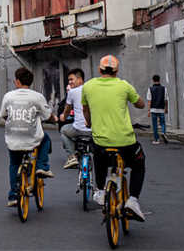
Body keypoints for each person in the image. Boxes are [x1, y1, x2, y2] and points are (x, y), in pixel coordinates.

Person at [82, 54, 147, 222]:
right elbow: (140, 104)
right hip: (126, 142)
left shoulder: (88, 86)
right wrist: (135, 99)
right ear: (117, 71)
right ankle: (132, 200)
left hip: (101, 142)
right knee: (139, 163)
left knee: (98, 154)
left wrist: (89, 123)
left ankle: (102, 191)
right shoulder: (124, 86)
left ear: (99, 69)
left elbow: (86, 111)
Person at [0, 67, 54, 207]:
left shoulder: (8, 96)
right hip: (31, 138)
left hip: (13, 139)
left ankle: (13, 195)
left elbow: (3, 115)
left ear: (17, 81)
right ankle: (42, 166)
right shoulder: (37, 97)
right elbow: (47, 115)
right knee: (45, 139)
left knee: (14, 164)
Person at [59, 68, 91, 169]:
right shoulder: (92, 89)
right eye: (69, 80)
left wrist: (63, 117)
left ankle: (71, 157)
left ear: (80, 79)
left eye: (71, 79)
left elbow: (67, 110)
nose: (70, 82)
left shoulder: (72, 92)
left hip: (79, 129)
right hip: (95, 130)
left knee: (64, 130)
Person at [146, 74, 169, 145]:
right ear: (159, 80)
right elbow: (166, 100)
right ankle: (163, 132)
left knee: (155, 125)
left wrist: (149, 111)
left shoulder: (150, 89)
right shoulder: (164, 88)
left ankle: (156, 140)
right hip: (161, 109)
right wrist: (166, 108)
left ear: (153, 80)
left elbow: (149, 101)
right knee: (162, 123)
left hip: (153, 109)